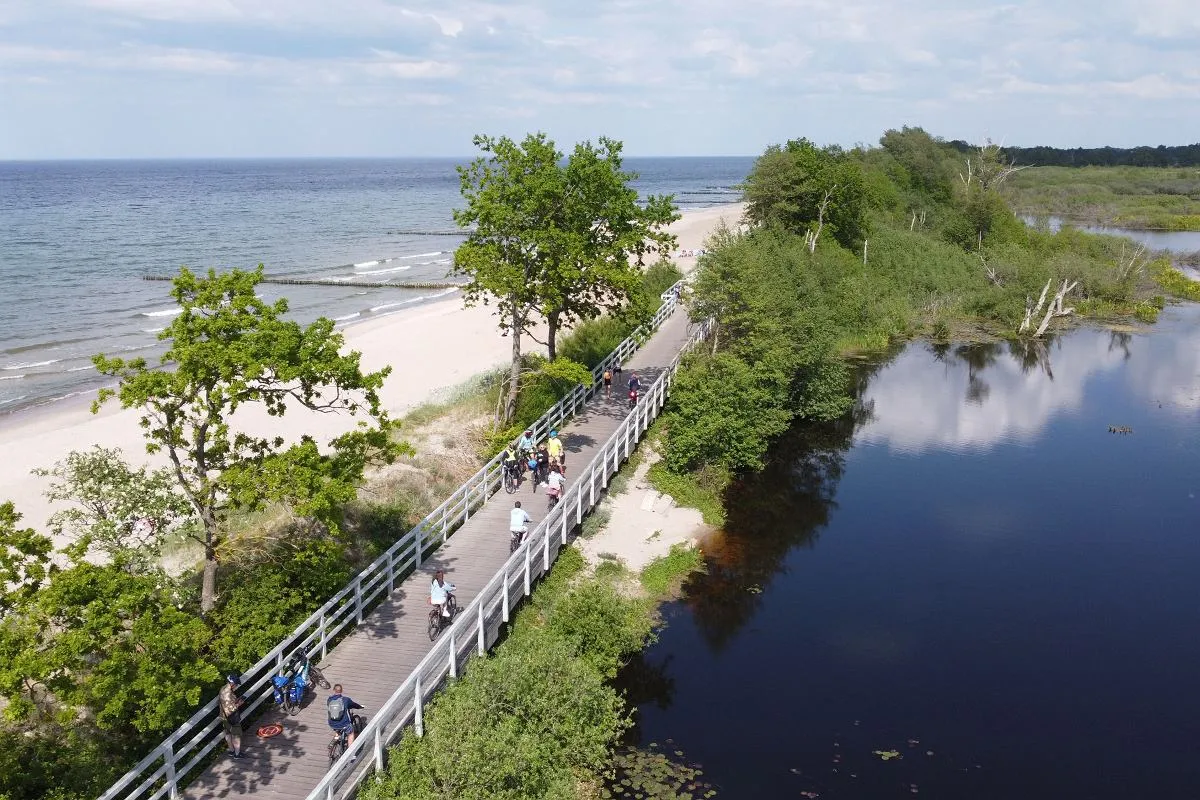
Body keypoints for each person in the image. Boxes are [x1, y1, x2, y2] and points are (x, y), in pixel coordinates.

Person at [327, 684, 365, 758]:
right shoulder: (345, 700)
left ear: (334, 690)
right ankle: (351, 754)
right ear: (341, 691)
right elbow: (354, 705)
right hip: (343, 724)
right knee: (350, 733)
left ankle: (336, 737)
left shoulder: (329, 700)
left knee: (336, 725)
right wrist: (360, 707)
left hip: (331, 723)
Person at [219, 674, 245, 759]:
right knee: (236, 735)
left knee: (228, 733)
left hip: (224, 717)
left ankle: (231, 751)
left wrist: (236, 700)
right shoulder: (228, 693)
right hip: (232, 717)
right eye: (236, 684)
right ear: (232, 683)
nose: (236, 686)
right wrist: (239, 703)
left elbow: (226, 704)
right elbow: (230, 709)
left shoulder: (223, 688)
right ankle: (237, 754)